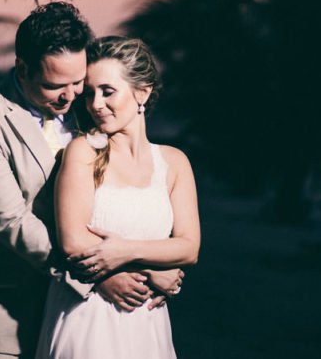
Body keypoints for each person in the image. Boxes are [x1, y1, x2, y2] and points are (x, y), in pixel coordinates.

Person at [0, 4, 165, 359]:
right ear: (22, 68)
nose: (70, 96)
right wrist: (97, 275)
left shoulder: (90, 109)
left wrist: (160, 268)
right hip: (5, 319)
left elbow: (127, 196)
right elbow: (10, 222)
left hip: (78, 322)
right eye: (54, 85)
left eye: (78, 81)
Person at [35, 36, 200, 359]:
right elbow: (72, 240)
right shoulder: (82, 151)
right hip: (87, 317)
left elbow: (189, 247)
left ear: (142, 92)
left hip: (146, 323)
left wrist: (125, 252)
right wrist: (153, 267)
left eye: (108, 91)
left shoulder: (174, 162)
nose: (96, 104)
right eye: (90, 93)